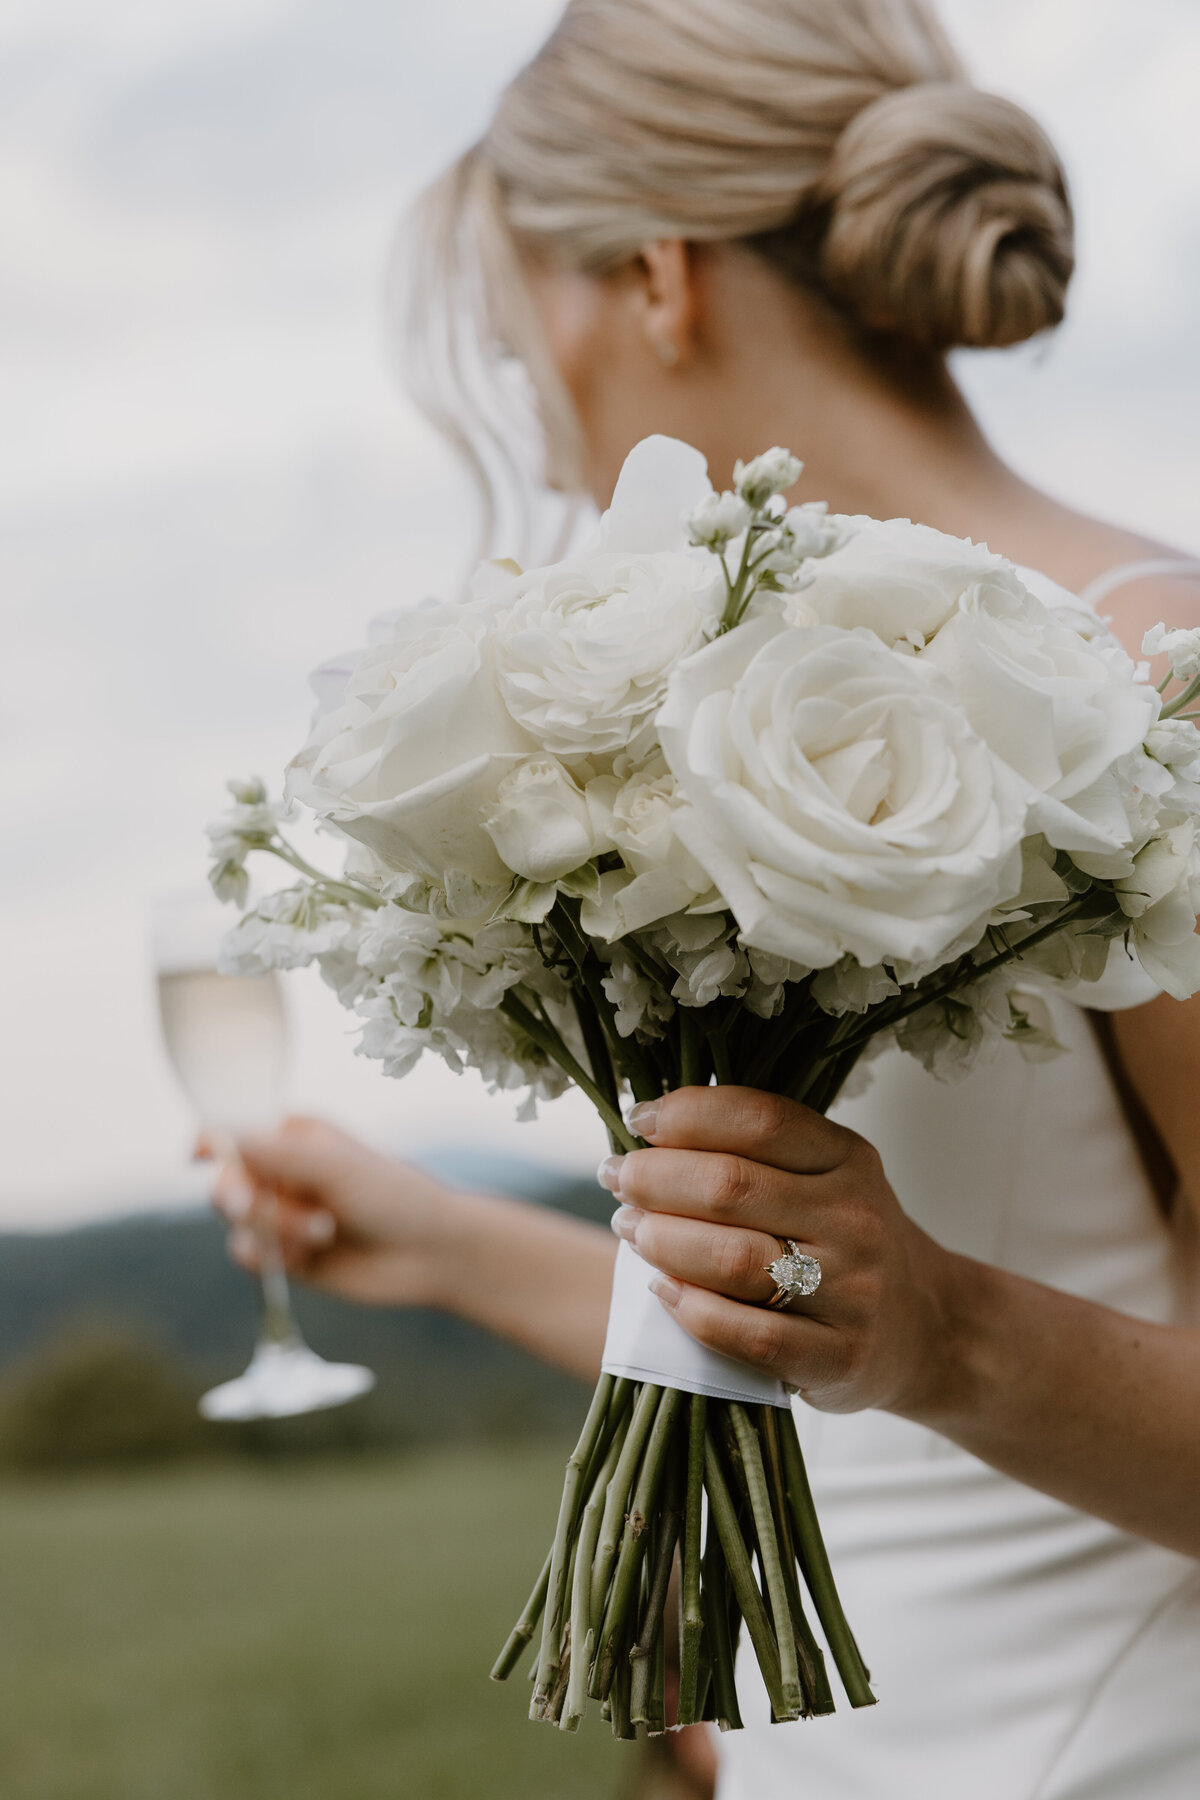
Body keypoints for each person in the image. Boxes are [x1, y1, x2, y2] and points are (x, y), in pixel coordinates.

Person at [212, 3, 1200, 1794]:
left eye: (523, 347)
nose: (536, 415)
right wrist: (434, 1241)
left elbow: (924, 1304)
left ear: (661, 278)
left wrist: (947, 1334)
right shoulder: (735, 701)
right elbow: (822, 1282)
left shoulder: (1161, 689)